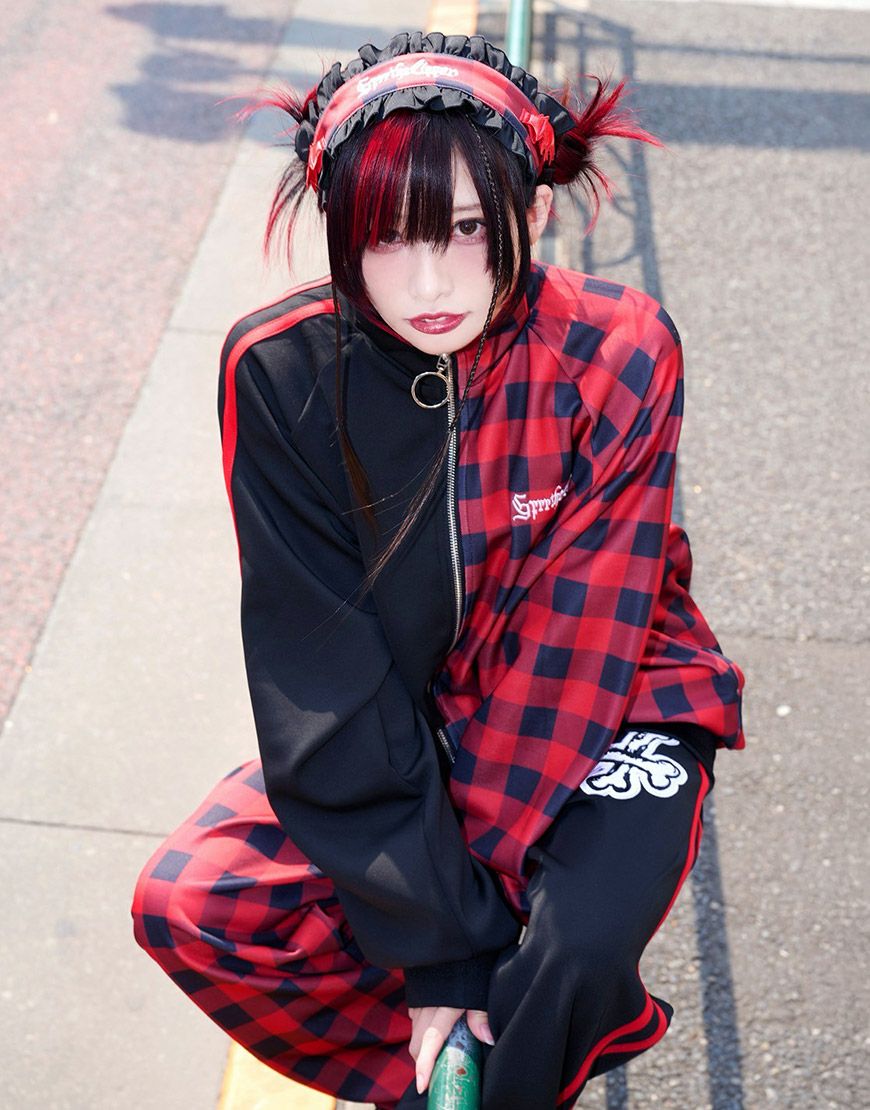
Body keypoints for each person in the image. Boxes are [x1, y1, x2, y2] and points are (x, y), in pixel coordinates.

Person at [132, 31, 745, 1109]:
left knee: (569, 950)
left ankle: (515, 1046)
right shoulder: (282, 373)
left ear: (532, 213)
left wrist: (453, 946)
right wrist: (439, 943)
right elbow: (320, 666)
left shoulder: (618, 346)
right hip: (417, 716)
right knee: (194, 905)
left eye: (465, 228)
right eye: (384, 236)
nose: (426, 283)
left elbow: (579, 637)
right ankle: (463, 1070)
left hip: (620, 693)